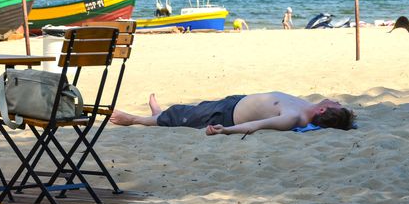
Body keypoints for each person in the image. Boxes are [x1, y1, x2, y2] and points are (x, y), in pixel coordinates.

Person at [110, 91, 356, 136]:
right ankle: (159, 115)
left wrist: (225, 130)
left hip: (226, 116)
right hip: (235, 101)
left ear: (323, 109)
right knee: (187, 111)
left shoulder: (294, 117)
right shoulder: (306, 106)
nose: (335, 100)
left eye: (336, 104)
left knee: (183, 116)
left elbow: (257, 126)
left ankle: (133, 119)